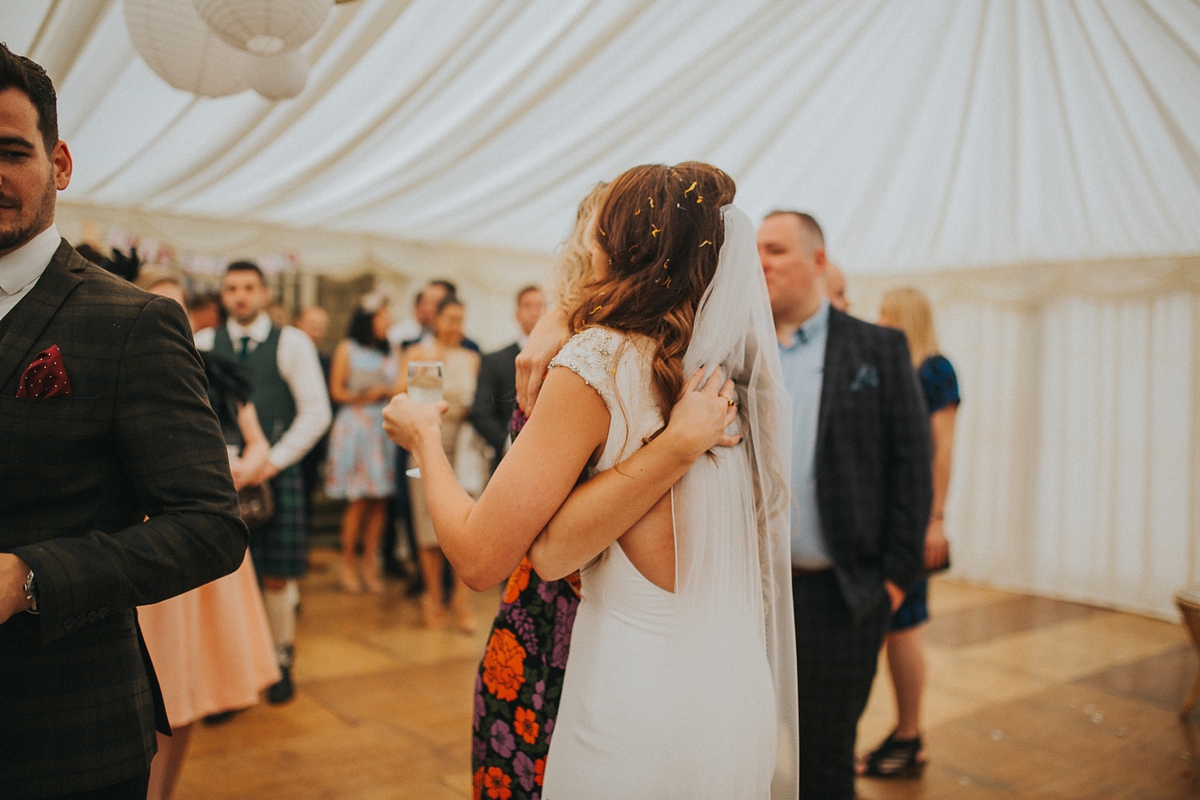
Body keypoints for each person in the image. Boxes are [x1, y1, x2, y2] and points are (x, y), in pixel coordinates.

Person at [385, 163, 798, 799]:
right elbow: (553, 551)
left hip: (634, 698)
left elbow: (477, 557)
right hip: (734, 692)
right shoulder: (735, 376)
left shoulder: (598, 359)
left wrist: (422, 439)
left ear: (613, 242)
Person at [0, 44, 246, 798]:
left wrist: (29, 577)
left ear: (60, 162)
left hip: (60, 730)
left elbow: (209, 525)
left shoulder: (133, 321)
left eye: (10, 151)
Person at [757, 209, 932, 800]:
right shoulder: (739, 351)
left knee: (825, 761)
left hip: (839, 594)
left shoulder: (877, 347)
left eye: (775, 249)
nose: (761, 261)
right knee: (752, 748)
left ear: (819, 260)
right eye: (755, 249)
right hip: (751, 594)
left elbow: (912, 463)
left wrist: (895, 580)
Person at [466, 184, 603, 789]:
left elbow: (479, 558)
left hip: (570, 599)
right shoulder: (571, 336)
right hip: (542, 603)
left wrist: (422, 446)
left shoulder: (585, 352)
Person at [135, 278, 281, 800]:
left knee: (193, 685)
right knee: (156, 686)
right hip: (150, 538)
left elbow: (260, 442)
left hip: (208, 533)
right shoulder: (127, 366)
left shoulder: (217, 373)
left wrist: (240, 468)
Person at [195, 261, 332, 704]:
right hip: (214, 479)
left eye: (249, 287)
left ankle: (279, 660)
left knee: (275, 576)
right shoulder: (201, 343)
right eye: (232, 287)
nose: (240, 295)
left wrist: (269, 462)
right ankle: (229, 673)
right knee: (222, 579)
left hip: (276, 473)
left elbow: (316, 412)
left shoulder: (291, 343)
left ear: (265, 293)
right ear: (222, 294)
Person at [857, 286, 960, 778]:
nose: (877, 320)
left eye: (884, 312)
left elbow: (942, 449)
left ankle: (909, 734)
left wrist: (933, 518)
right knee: (886, 630)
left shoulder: (934, 370)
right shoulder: (883, 368)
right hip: (875, 518)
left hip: (908, 520)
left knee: (902, 628)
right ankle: (889, 736)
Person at [399, 296, 482, 631]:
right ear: (435, 320)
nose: (456, 326)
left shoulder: (472, 358)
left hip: (464, 448)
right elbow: (401, 400)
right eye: (450, 319)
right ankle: (433, 597)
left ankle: (462, 602)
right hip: (425, 443)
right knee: (428, 525)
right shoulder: (418, 354)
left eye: (461, 319)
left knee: (468, 523)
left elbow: (479, 402)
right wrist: (424, 370)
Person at [325, 294, 398, 594]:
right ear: (369, 319)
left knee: (380, 499)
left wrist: (387, 391)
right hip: (355, 427)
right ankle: (348, 564)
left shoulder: (389, 351)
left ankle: (371, 564)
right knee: (357, 500)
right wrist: (365, 396)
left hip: (381, 429)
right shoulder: (348, 348)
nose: (388, 322)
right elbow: (336, 391)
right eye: (383, 317)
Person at [471, 285, 545, 470]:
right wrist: (507, 442)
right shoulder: (494, 360)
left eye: (540, 306)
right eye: (528, 306)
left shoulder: (560, 357)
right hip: (505, 462)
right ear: (517, 314)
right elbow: (481, 411)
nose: (535, 312)